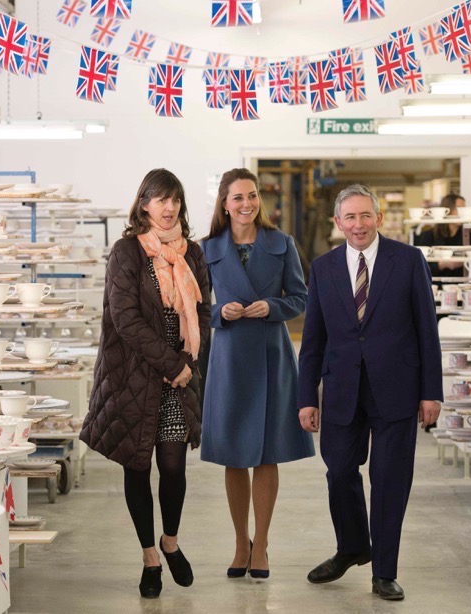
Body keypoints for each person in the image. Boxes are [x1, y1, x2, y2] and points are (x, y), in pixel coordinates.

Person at [297, 184, 443, 601]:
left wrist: (431, 392)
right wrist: (307, 396)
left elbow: (426, 331)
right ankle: (353, 546)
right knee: (339, 471)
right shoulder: (323, 267)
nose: (358, 225)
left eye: (365, 216)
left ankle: (384, 571)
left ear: (378, 218)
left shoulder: (408, 260)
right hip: (342, 388)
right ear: (337, 222)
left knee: (390, 479)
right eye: (350, 217)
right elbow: (313, 338)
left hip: (398, 387)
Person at [80, 169, 210, 599]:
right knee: (137, 465)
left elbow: (203, 312)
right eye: (160, 199)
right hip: (133, 376)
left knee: (173, 465)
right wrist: (171, 363)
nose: (168, 207)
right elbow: (125, 319)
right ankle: (150, 557)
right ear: (144, 206)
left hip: (179, 378)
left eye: (175, 199)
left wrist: (188, 361)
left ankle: (171, 541)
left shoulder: (193, 254)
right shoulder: (126, 252)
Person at [200, 168, 313, 580]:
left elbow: (300, 298)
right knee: (234, 455)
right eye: (237, 198)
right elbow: (192, 309)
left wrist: (273, 308)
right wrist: (218, 313)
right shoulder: (207, 248)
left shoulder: (281, 243)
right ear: (225, 204)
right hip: (229, 357)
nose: (246, 204)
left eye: (251, 196)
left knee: (267, 455)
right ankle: (239, 542)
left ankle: (261, 544)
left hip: (271, 354)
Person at [414, 193, 471, 279]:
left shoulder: (469, 236)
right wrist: (441, 265)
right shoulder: (429, 235)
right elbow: (420, 269)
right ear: (447, 209)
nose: (462, 212)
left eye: (464, 209)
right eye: (459, 208)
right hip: (435, 287)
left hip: (462, 286)